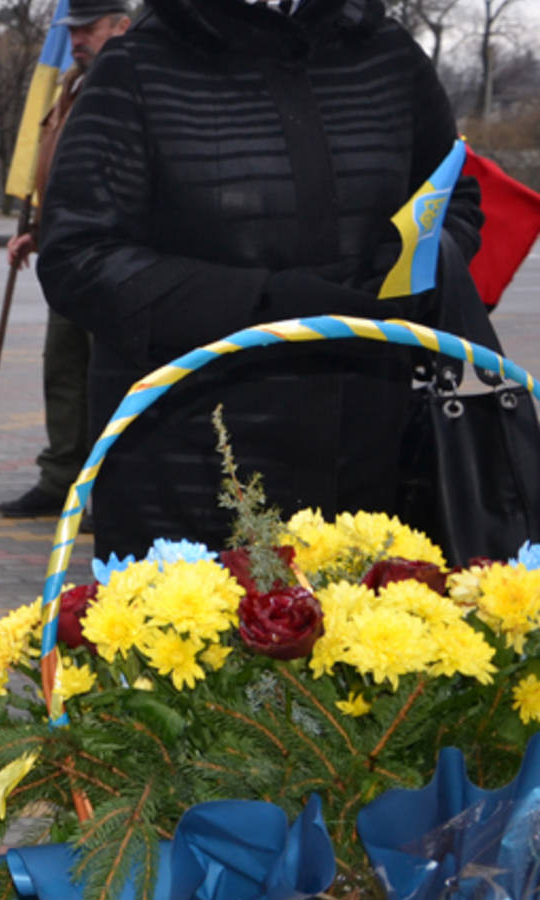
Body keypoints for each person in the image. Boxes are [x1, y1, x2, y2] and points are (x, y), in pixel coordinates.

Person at [36, 0, 483, 559]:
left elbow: (456, 197)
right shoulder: (139, 68)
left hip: (366, 459)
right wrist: (264, 304)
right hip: (186, 469)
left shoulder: (387, 55)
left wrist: (409, 269)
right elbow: (76, 256)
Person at [0, 0, 129, 521]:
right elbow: (61, 168)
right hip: (68, 254)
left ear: (121, 25)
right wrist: (35, 230)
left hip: (116, 257)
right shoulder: (73, 84)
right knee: (64, 372)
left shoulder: (132, 84)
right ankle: (60, 479)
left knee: (109, 377)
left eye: (88, 28)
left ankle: (110, 490)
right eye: (72, 29)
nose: (76, 39)